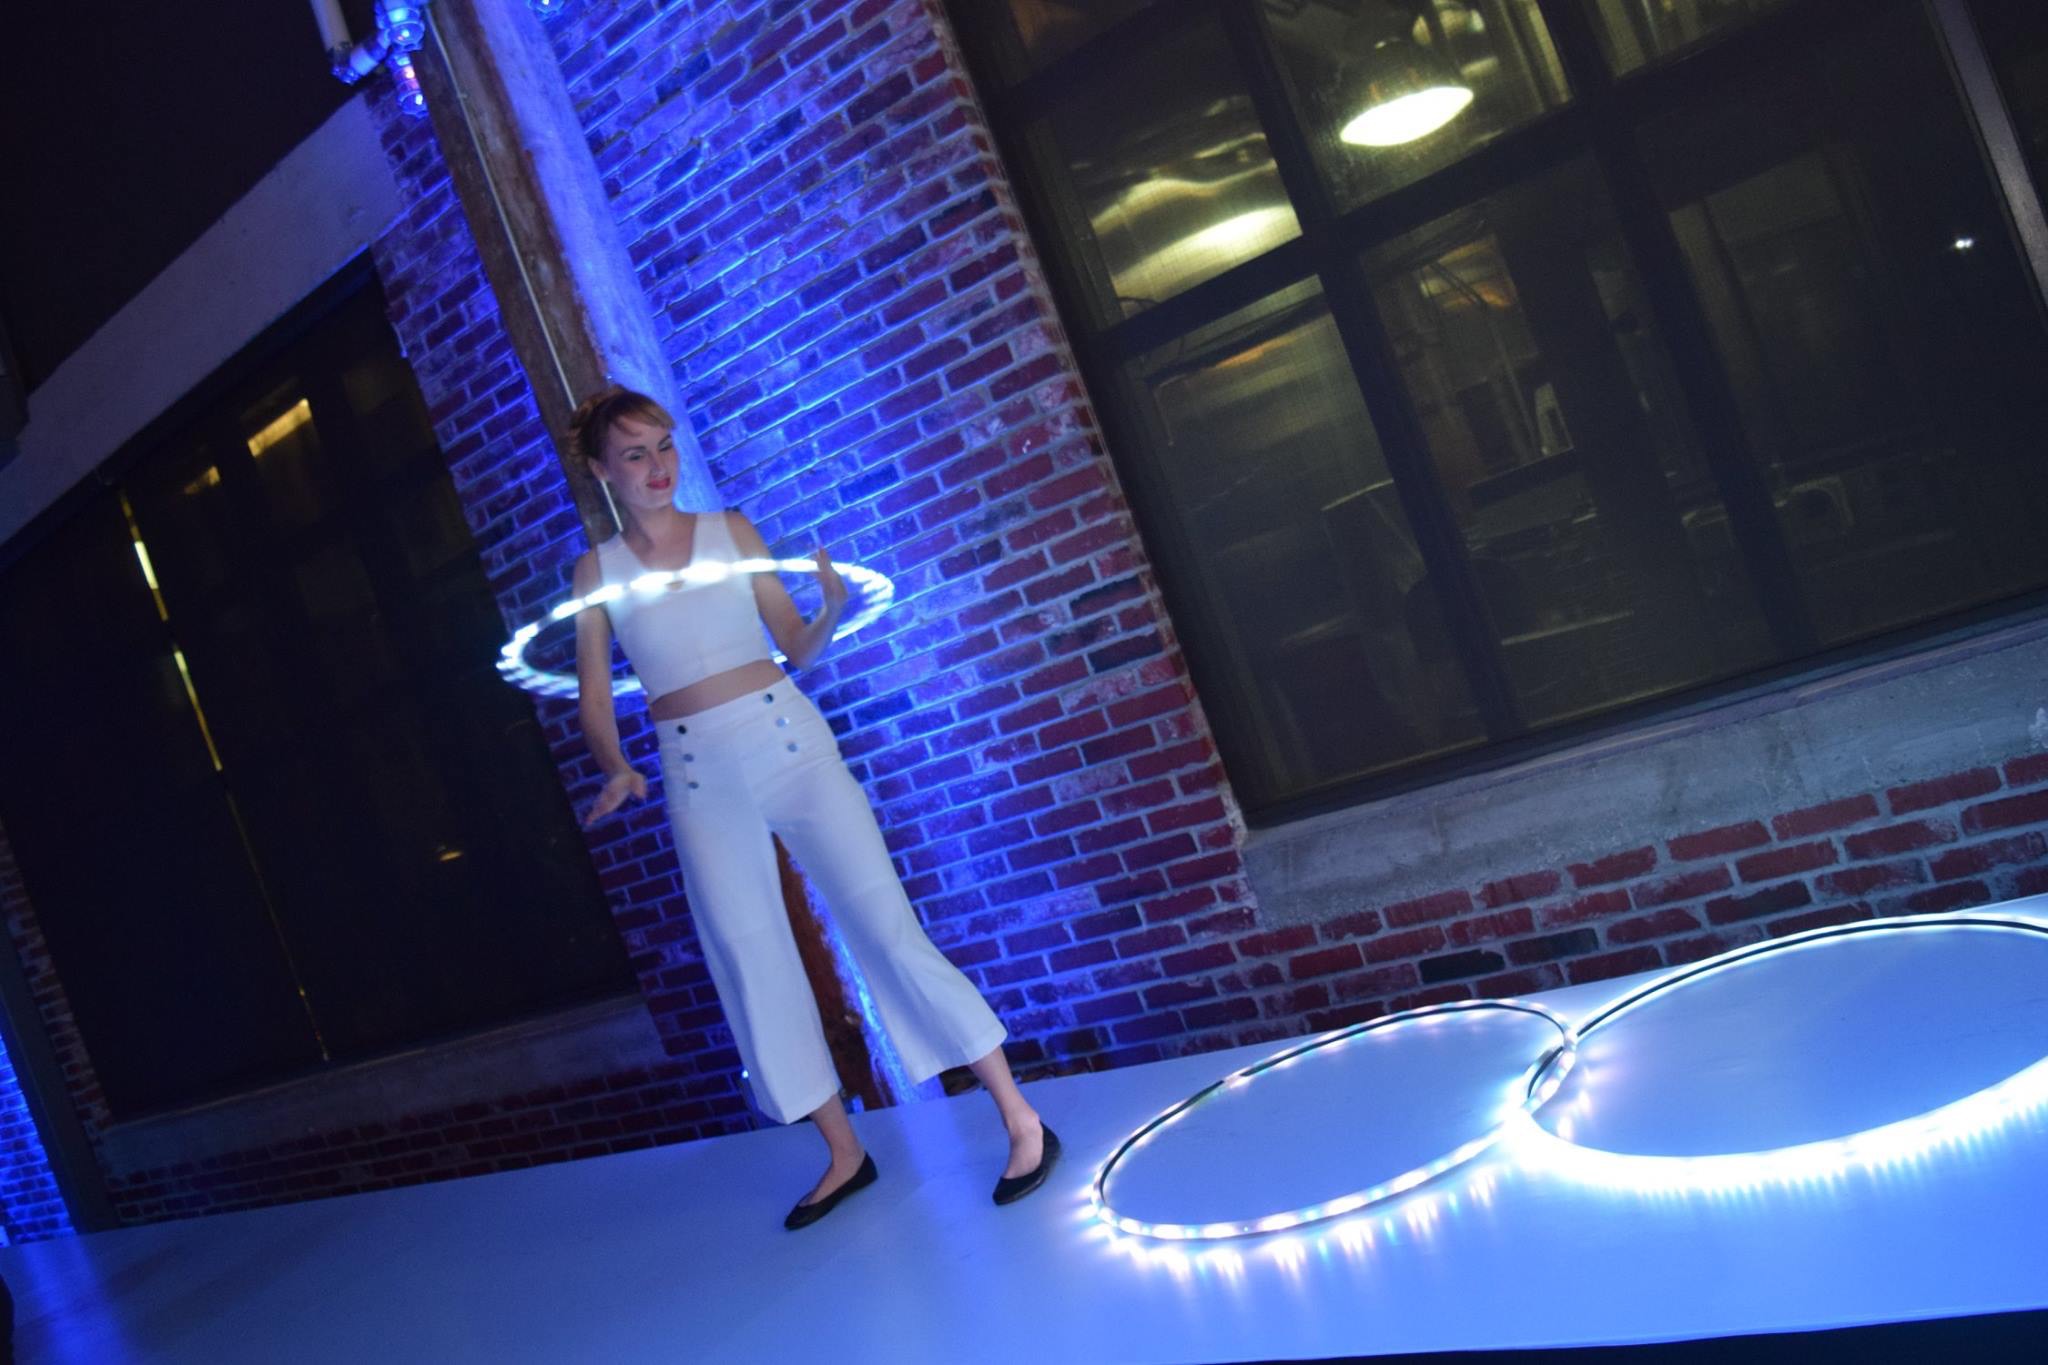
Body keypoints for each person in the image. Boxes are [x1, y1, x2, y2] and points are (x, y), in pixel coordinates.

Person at [567, 386, 1058, 1229]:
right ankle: (843, 1151)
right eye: (636, 454)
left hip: (786, 737)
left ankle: (1020, 1116)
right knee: (748, 952)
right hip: (694, 770)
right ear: (603, 469)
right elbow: (594, 699)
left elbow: (794, 645)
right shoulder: (596, 572)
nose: (658, 466)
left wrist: (830, 607)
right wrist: (615, 766)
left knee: (883, 920)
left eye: (664, 446)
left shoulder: (731, 532)